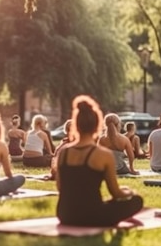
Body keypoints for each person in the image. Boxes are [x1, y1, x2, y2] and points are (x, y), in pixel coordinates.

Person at [54, 95, 143, 227]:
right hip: (92, 215)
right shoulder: (103, 154)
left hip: (65, 214)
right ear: (97, 126)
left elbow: (60, 187)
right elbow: (115, 193)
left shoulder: (63, 153)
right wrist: (129, 192)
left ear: (76, 126)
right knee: (137, 200)